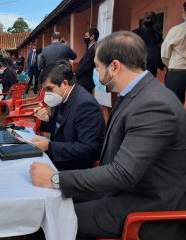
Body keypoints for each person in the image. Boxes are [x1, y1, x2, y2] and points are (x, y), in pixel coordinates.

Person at [30, 31, 186, 240]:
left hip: (144, 206)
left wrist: (56, 179)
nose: (95, 72)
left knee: (47, 219)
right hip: (120, 192)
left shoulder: (154, 104)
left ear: (114, 66)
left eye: (97, 66)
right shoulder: (135, 94)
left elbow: (123, 173)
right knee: (49, 202)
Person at [31, 61, 105, 171]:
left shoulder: (85, 105)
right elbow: (61, 128)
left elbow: (89, 148)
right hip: (59, 158)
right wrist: (46, 120)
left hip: (75, 167)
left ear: (64, 84)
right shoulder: (61, 96)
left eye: (49, 89)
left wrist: (49, 146)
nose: (47, 94)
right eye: (44, 90)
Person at [161, 2, 186, 104]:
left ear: (184, 13)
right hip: (177, 72)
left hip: (177, 72)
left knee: (173, 105)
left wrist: (170, 66)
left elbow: (164, 54)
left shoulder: (175, 30)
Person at [133, 12, 164, 77]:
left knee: (150, 85)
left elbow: (162, 48)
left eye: (152, 19)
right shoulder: (135, 33)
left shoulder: (157, 35)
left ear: (154, 20)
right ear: (143, 19)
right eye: (148, 18)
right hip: (139, 67)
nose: (150, 20)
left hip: (153, 68)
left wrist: (161, 63)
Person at [76, 28, 99, 93]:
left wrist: (76, 74)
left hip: (86, 81)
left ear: (92, 37)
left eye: (86, 36)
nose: (84, 38)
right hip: (87, 80)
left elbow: (85, 65)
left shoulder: (93, 49)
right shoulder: (92, 48)